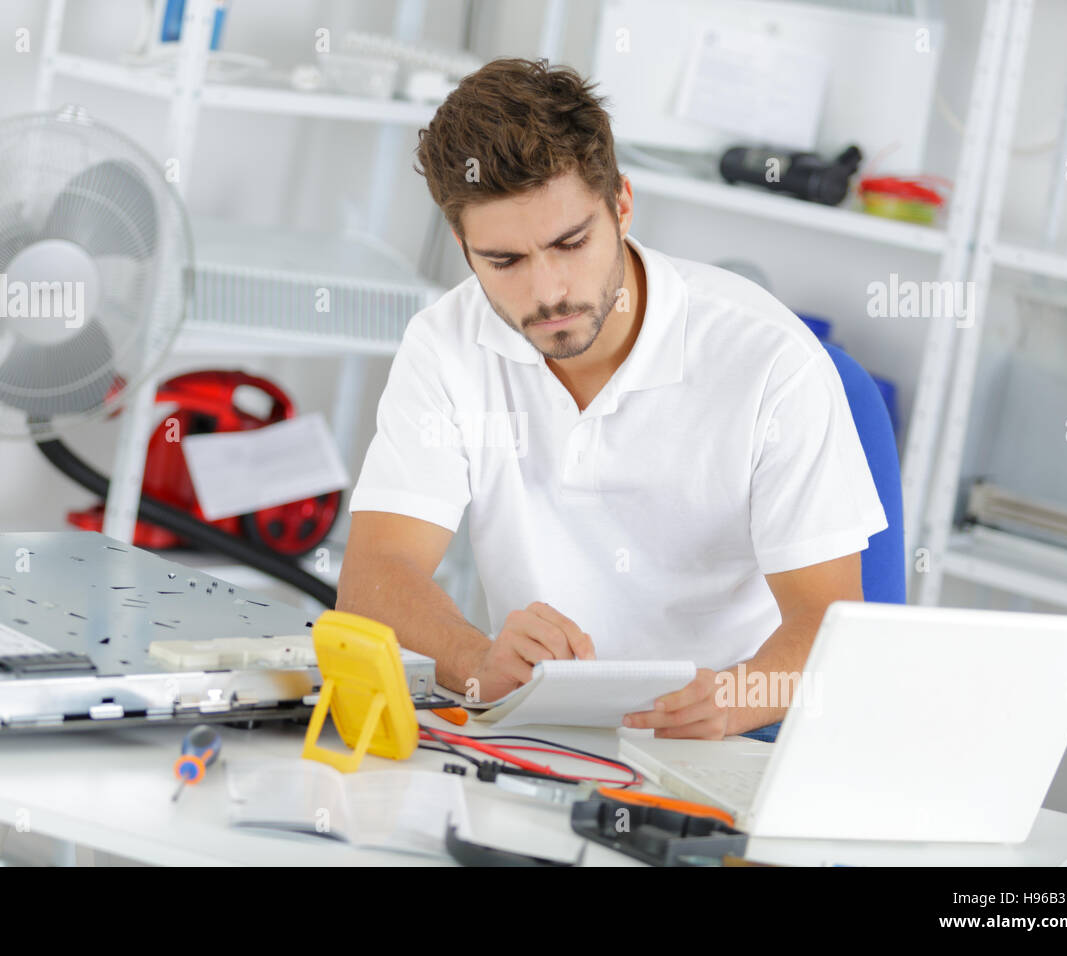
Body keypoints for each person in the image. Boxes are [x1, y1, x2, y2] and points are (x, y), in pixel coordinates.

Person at [336, 58, 886, 739]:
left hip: (730, 737)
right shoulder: (446, 342)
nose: (548, 293)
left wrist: (735, 699)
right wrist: (479, 661)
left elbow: (829, 624)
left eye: (570, 242)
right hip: (539, 732)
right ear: (463, 246)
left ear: (621, 205)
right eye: (504, 261)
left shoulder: (771, 359)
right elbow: (374, 576)